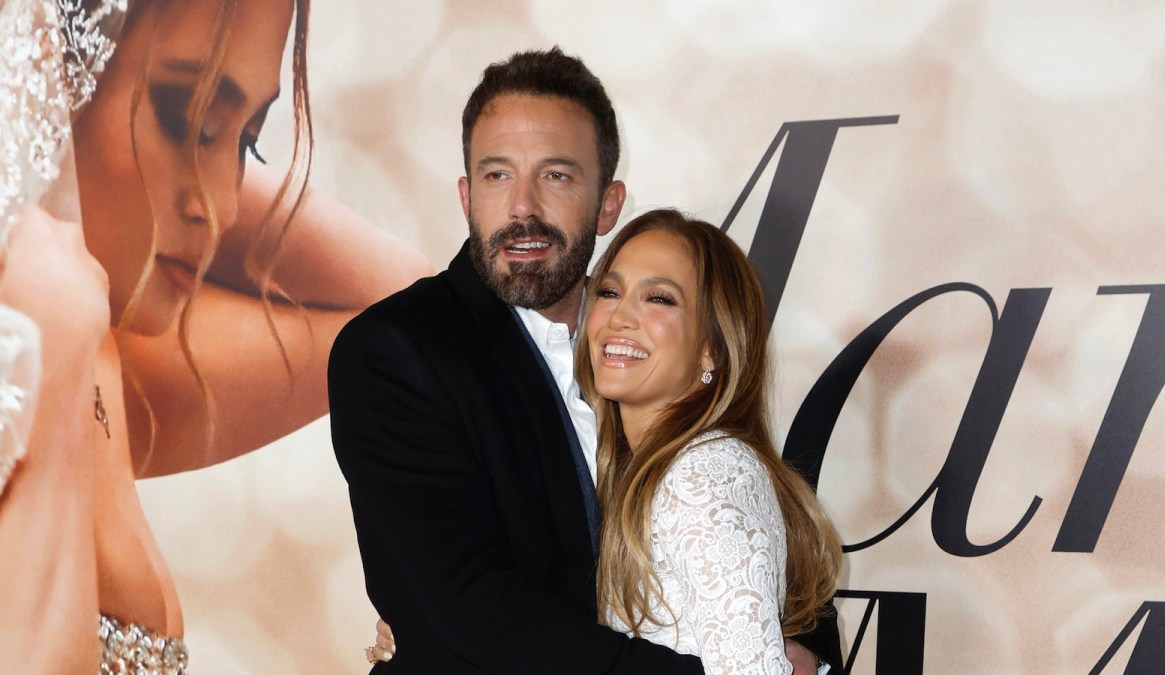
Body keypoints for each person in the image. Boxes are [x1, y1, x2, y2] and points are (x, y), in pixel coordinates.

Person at [331, 48, 840, 674]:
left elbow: (748, 527)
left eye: (557, 176)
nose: (522, 208)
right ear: (465, 195)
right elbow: (472, 607)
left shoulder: (650, 340)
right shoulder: (394, 351)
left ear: (607, 203)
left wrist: (805, 650)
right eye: (496, 176)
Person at [0, 0, 431, 671]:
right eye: (187, 118)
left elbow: (406, 311)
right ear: (54, 74)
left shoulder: (103, 354)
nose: (221, 203)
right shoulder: (40, 338)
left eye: (248, 140)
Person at [579, 208, 843, 674]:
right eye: (609, 291)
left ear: (712, 348)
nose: (619, 316)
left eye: (658, 298)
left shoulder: (707, 472)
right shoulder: (643, 468)